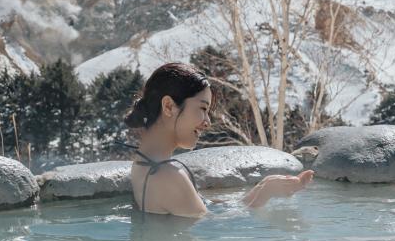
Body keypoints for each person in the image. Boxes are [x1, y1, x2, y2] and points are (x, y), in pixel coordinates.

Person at [124, 62, 312, 216]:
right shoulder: (168, 175)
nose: (207, 122)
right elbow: (215, 232)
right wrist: (266, 194)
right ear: (169, 106)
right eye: (203, 109)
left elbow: (206, 214)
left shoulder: (145, 164)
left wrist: (262, 188)